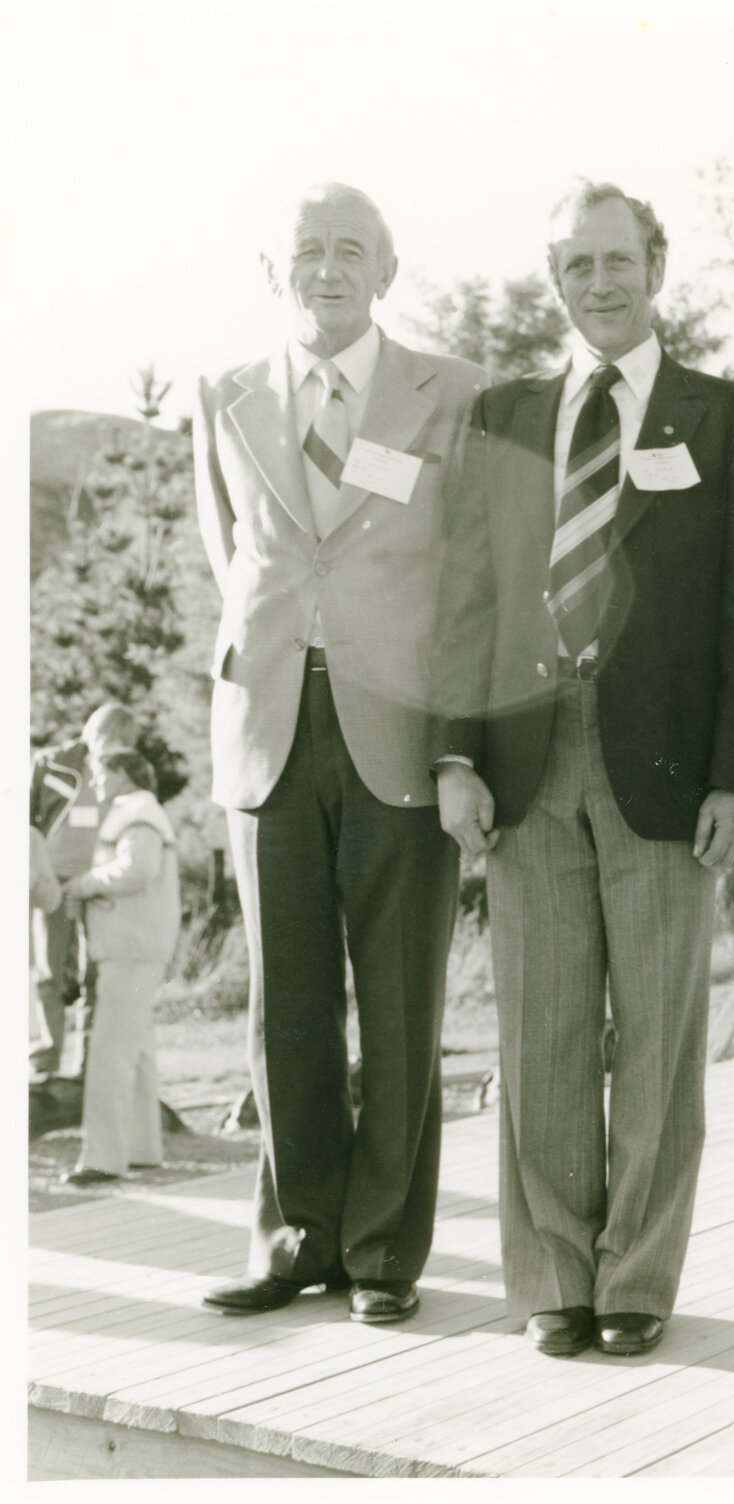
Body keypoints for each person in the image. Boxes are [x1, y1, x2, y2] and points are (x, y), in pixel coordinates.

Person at [432, 180, 734, 1360]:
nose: (599, 281)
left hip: (670, 773)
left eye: (618, 259)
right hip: (526, 760)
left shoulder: (725, 415)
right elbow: (466, 599)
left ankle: (634, 1278)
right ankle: (552, 1277)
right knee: (539, 1034)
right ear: (555, 280)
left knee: (658, 1040)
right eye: (576, 263)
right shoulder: (502, 416)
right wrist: (453, 757)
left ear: (656, 267)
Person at [193, 184, 485, 1324]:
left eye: (350, 249)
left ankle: (381, 1252)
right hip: (267, 723)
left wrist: (460, 741)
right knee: (286, 1003)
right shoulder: (223, 395)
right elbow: (231, 553)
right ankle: (295, 1238)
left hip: (400, 724)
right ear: (275, 271)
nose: (327, 267)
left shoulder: (452, 393)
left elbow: (470, 580)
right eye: (307, 249)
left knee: (401, 1000)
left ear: (387, 269)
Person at [60, 749, 178, 1186]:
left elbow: (137, 869)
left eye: (99, 773)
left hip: (129, 948)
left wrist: (81, 885)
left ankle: (104, 1158)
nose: (95, 782)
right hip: (138, 946)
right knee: (138, 1050)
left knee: (110, 1051)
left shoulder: (136, 811)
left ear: (124, 773)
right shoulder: (143, 810)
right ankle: (142, 1149)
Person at [29, 704, 141, 1077]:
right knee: (48, 970)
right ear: (93, 734)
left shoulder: (125, 771)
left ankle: (90, 1062)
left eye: (123, 746)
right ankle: (48, 1056)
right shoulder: (49, 764)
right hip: (53, 880)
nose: (114, 752)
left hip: (100, 881)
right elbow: (24, 820)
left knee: (97, 973)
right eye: (109, 742)